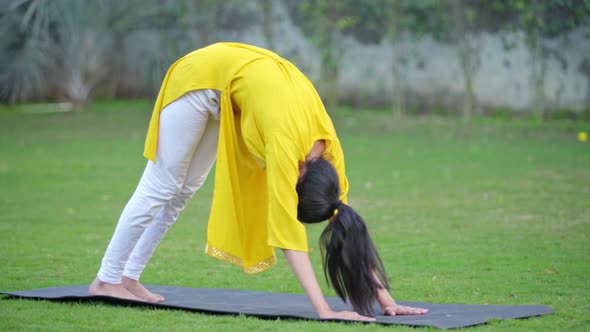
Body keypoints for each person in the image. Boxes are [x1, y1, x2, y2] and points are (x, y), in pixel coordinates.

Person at [89, 42, 428, 321]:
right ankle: (107, 279)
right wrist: (324, 311)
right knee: (162, 186)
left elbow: (349, 226)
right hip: (200, 79)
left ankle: (128, 276)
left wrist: (384, 298)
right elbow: (287, 234)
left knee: (183, 191)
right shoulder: (286, 145)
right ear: (299, 175)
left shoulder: (329, 155)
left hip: (228, 90)